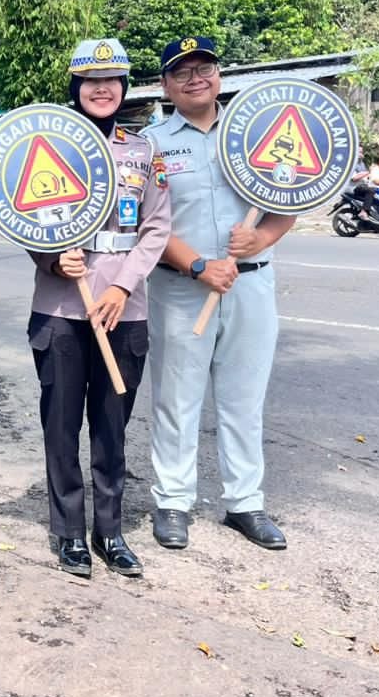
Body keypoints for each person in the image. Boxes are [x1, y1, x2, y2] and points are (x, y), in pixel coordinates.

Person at [142, 36, 295, 553]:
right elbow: (147, 224)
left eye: (203, 67)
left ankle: (245, 504)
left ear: (218, 75)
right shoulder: (153, 144)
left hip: (251, 284)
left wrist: (262, 238)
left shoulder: (254, 132)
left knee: (243, 400)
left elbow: (294, 192)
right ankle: (173, 503)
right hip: (182, 288)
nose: (195, 78)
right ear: (165, 85)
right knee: (176, 400)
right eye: (181, 72)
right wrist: (199, 265)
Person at [26, 39, 170, 579]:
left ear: (124, 88)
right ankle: (68, 534)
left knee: (112, 426)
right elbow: (23, 214)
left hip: (122, 311)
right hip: (61, 308)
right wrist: (46, 256)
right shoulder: (49, 143)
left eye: (112, 80)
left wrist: (124, 286)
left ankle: (109, 531)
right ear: (76, 88)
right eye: (91, 81)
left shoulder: (143, 151)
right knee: (60, 427)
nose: (102, 89)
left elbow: (156, 228)